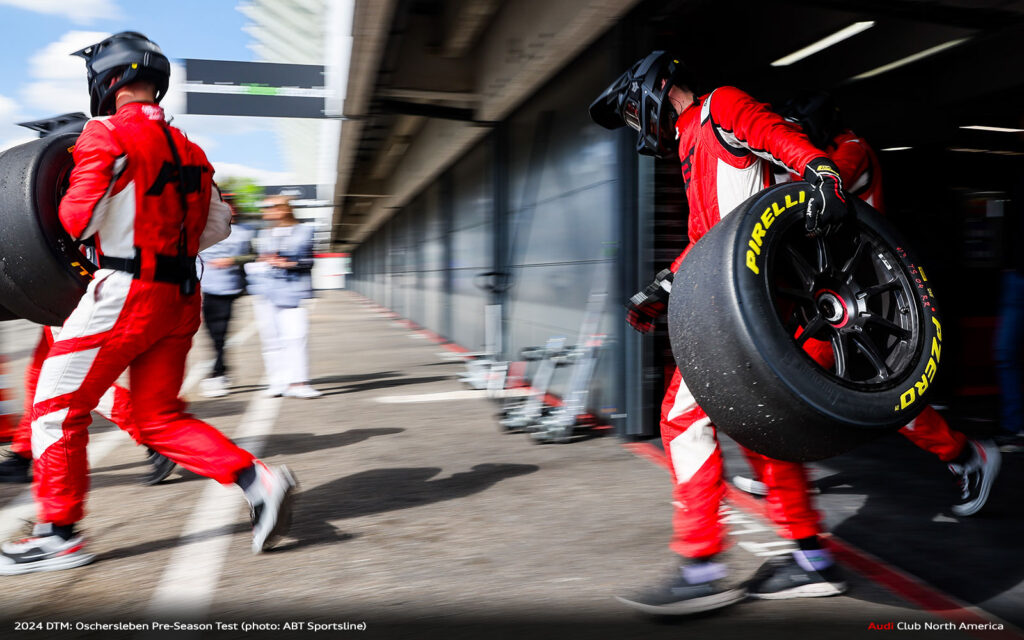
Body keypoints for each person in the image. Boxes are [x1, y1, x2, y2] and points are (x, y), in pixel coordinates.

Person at [0, 32, 296, 575]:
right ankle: (259, 480)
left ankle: (58, 535)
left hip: (126, 293)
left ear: (107, 81)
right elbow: (218, 226)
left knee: (55, 409)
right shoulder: (192, 149)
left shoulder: (104, 132)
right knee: (158, 417)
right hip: (182, 297)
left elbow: (75, 219)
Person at [590, 52, 850, 614]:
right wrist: (663, 287)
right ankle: (812, 559)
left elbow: (777, 137)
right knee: (761, 430)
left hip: (747, 308)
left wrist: (821, 171)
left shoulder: (718, 107)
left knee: (681, 419)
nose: (636, 123)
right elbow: (706, 240)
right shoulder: (690, 144)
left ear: (656, 88)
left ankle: (702, 568)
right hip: (743, 309)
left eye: (633, 110)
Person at [732, 90, 1001, 517]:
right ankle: (784, 474)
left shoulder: (852, 148)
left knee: (820, 389)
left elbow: (822, 186)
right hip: (835, 292)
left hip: (866, 293)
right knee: (824, 390)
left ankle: (967, 455)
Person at [0, 327, 176, 485]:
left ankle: (156, 436)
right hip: (52, 309)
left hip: (60, 307)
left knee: (80, 383)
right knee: (40, 379)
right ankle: (22, 456)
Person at [245, 195, 321, 399]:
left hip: (293, 290)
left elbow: (308, 261)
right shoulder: (263, 233)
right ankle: (277, 383)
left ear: (284, 209)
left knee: (296, 336)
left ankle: (298, 383)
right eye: (264, 207)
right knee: (271, 339)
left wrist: (288, 263)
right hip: (265, 290)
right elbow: (260, 257)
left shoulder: (305, 231)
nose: (264, 211)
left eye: (269, 207)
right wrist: (262, 260)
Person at [198, 193, 254, 398]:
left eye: (231, 206)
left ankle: (219, 373)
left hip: (228, 288)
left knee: (219, 333)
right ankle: (221, 370)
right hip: (203, 287)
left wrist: (233, 260)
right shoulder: (203, 229)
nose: (229, 209)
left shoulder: (243, 232)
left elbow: (253, 255)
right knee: (211, 334)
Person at [994, 172, 1024, 453]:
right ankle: (1015, 427)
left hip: (1015, 277)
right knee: (1005, 353)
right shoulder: (1018, 179)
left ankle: (1015, 426)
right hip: (1016, 277)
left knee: (1007, 353)